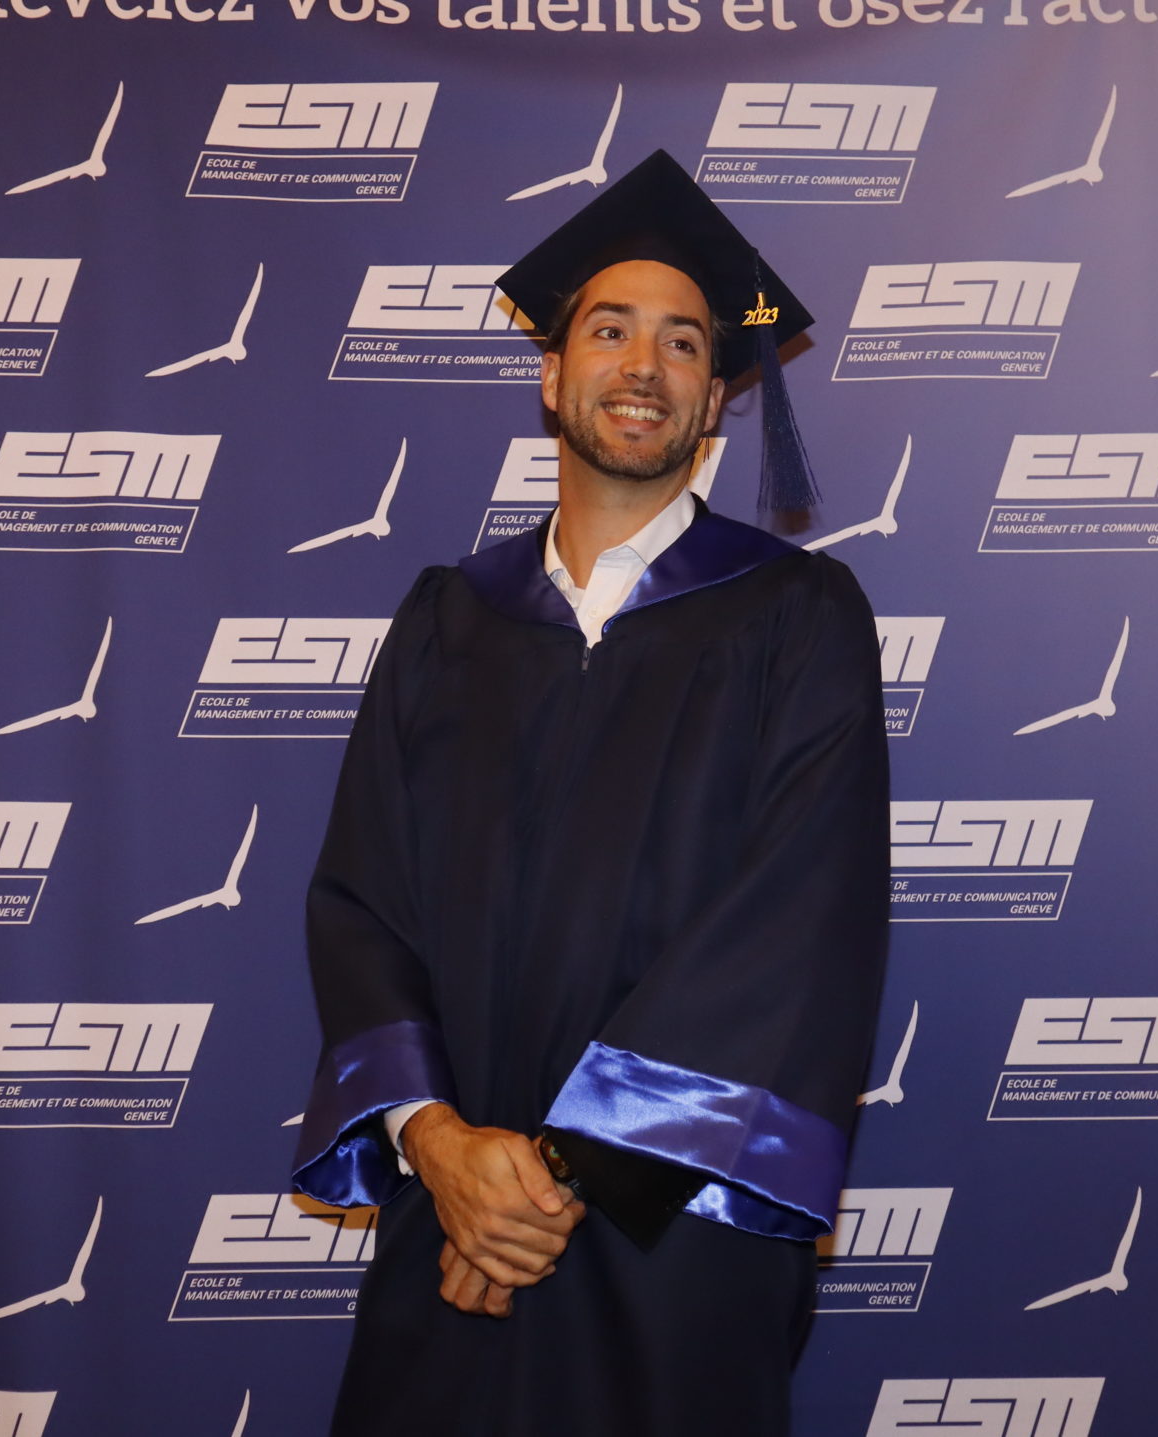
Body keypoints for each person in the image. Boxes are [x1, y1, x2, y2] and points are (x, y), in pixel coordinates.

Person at [289, 150, 892, 1437]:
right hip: (451, 1209)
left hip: (672, 1227)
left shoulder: (798, 618)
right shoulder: (449, 620)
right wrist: (441, 1149)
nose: (643, 365)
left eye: (684, 341)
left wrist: (547, 1186)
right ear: (551, 374)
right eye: (609, 329)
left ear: (714, 398)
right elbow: (362, 903)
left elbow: (796, 933)